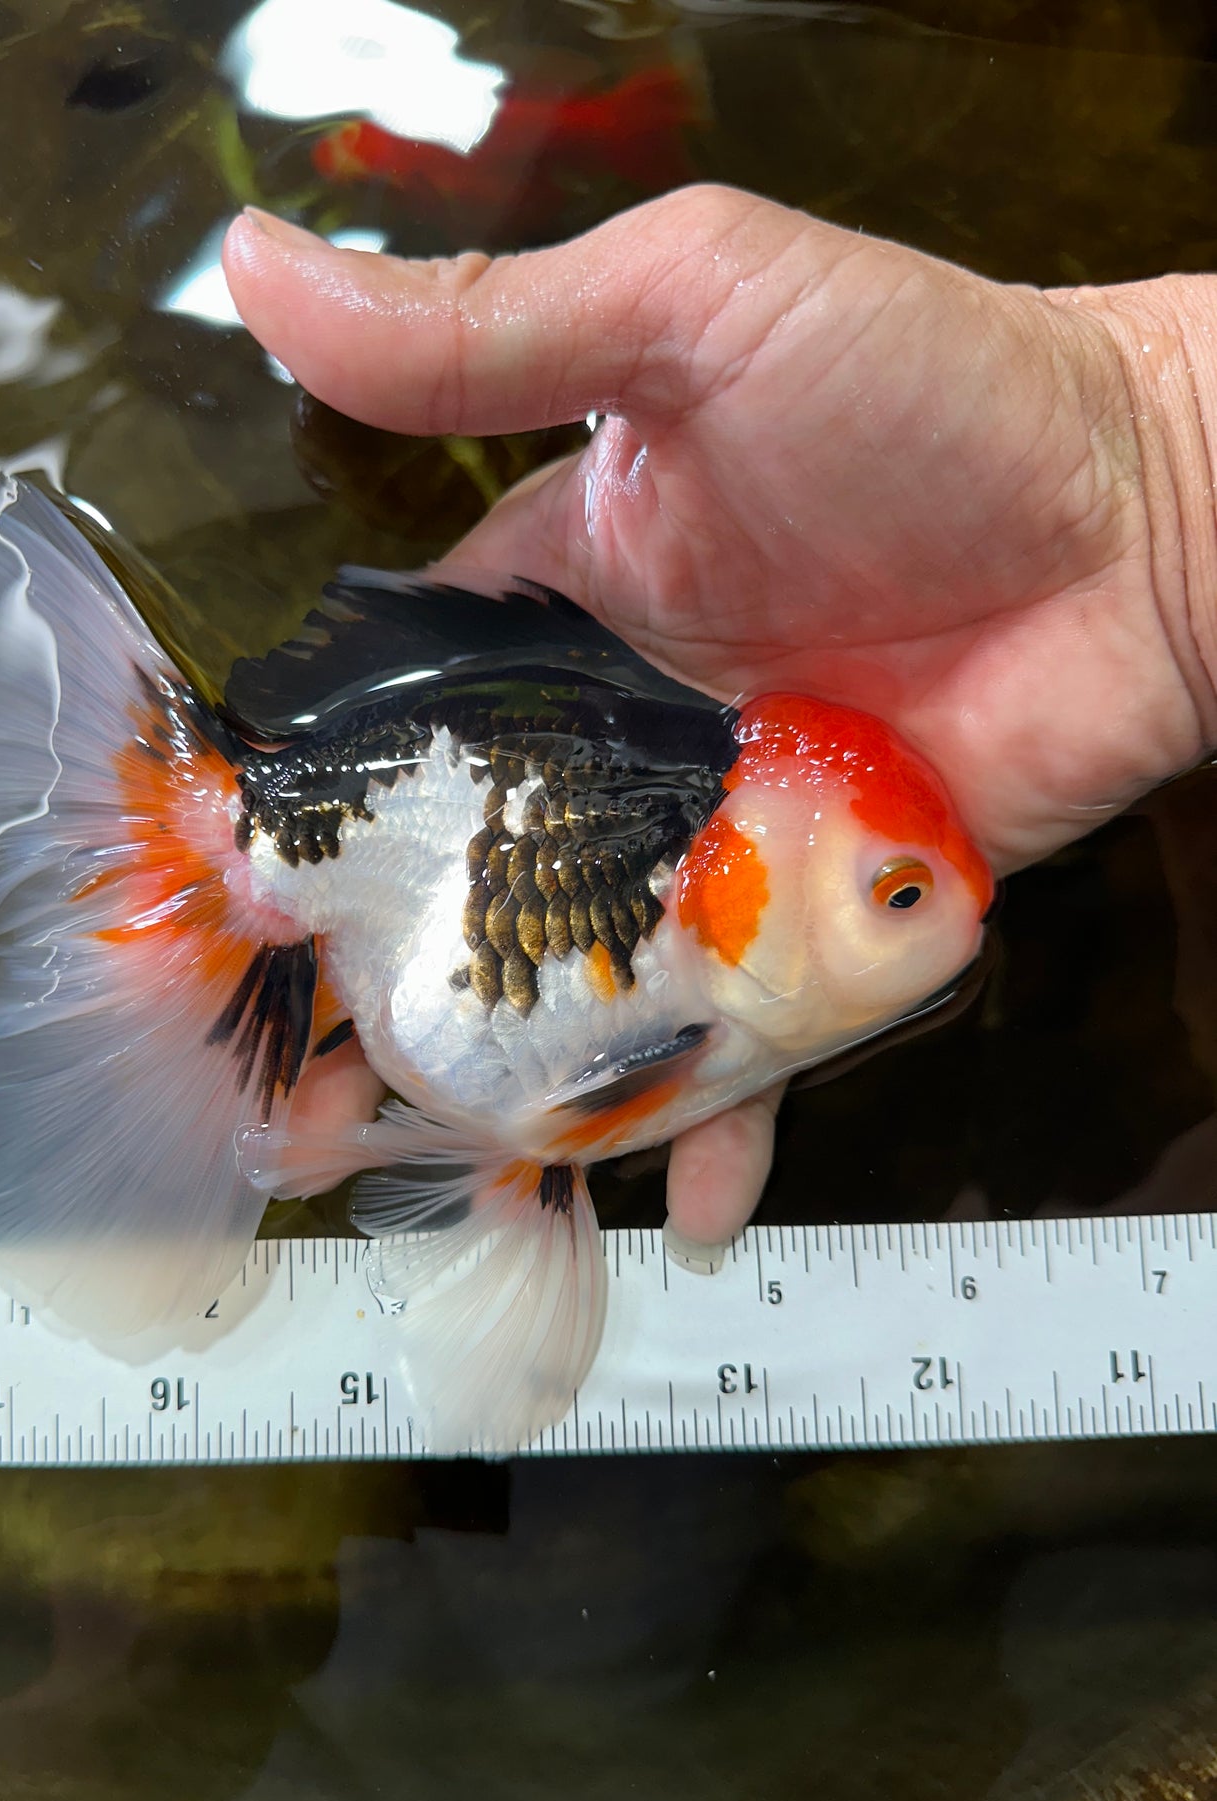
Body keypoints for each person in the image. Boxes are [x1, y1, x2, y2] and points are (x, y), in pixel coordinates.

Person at [221, 184, 1217, 1260]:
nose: (952, 907)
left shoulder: (709, 942)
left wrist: (1160, 462)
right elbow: (544, 1120)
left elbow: (546, 1119)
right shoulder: (693, 892)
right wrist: (1154, 463)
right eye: (898, 891)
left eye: (902, 890)